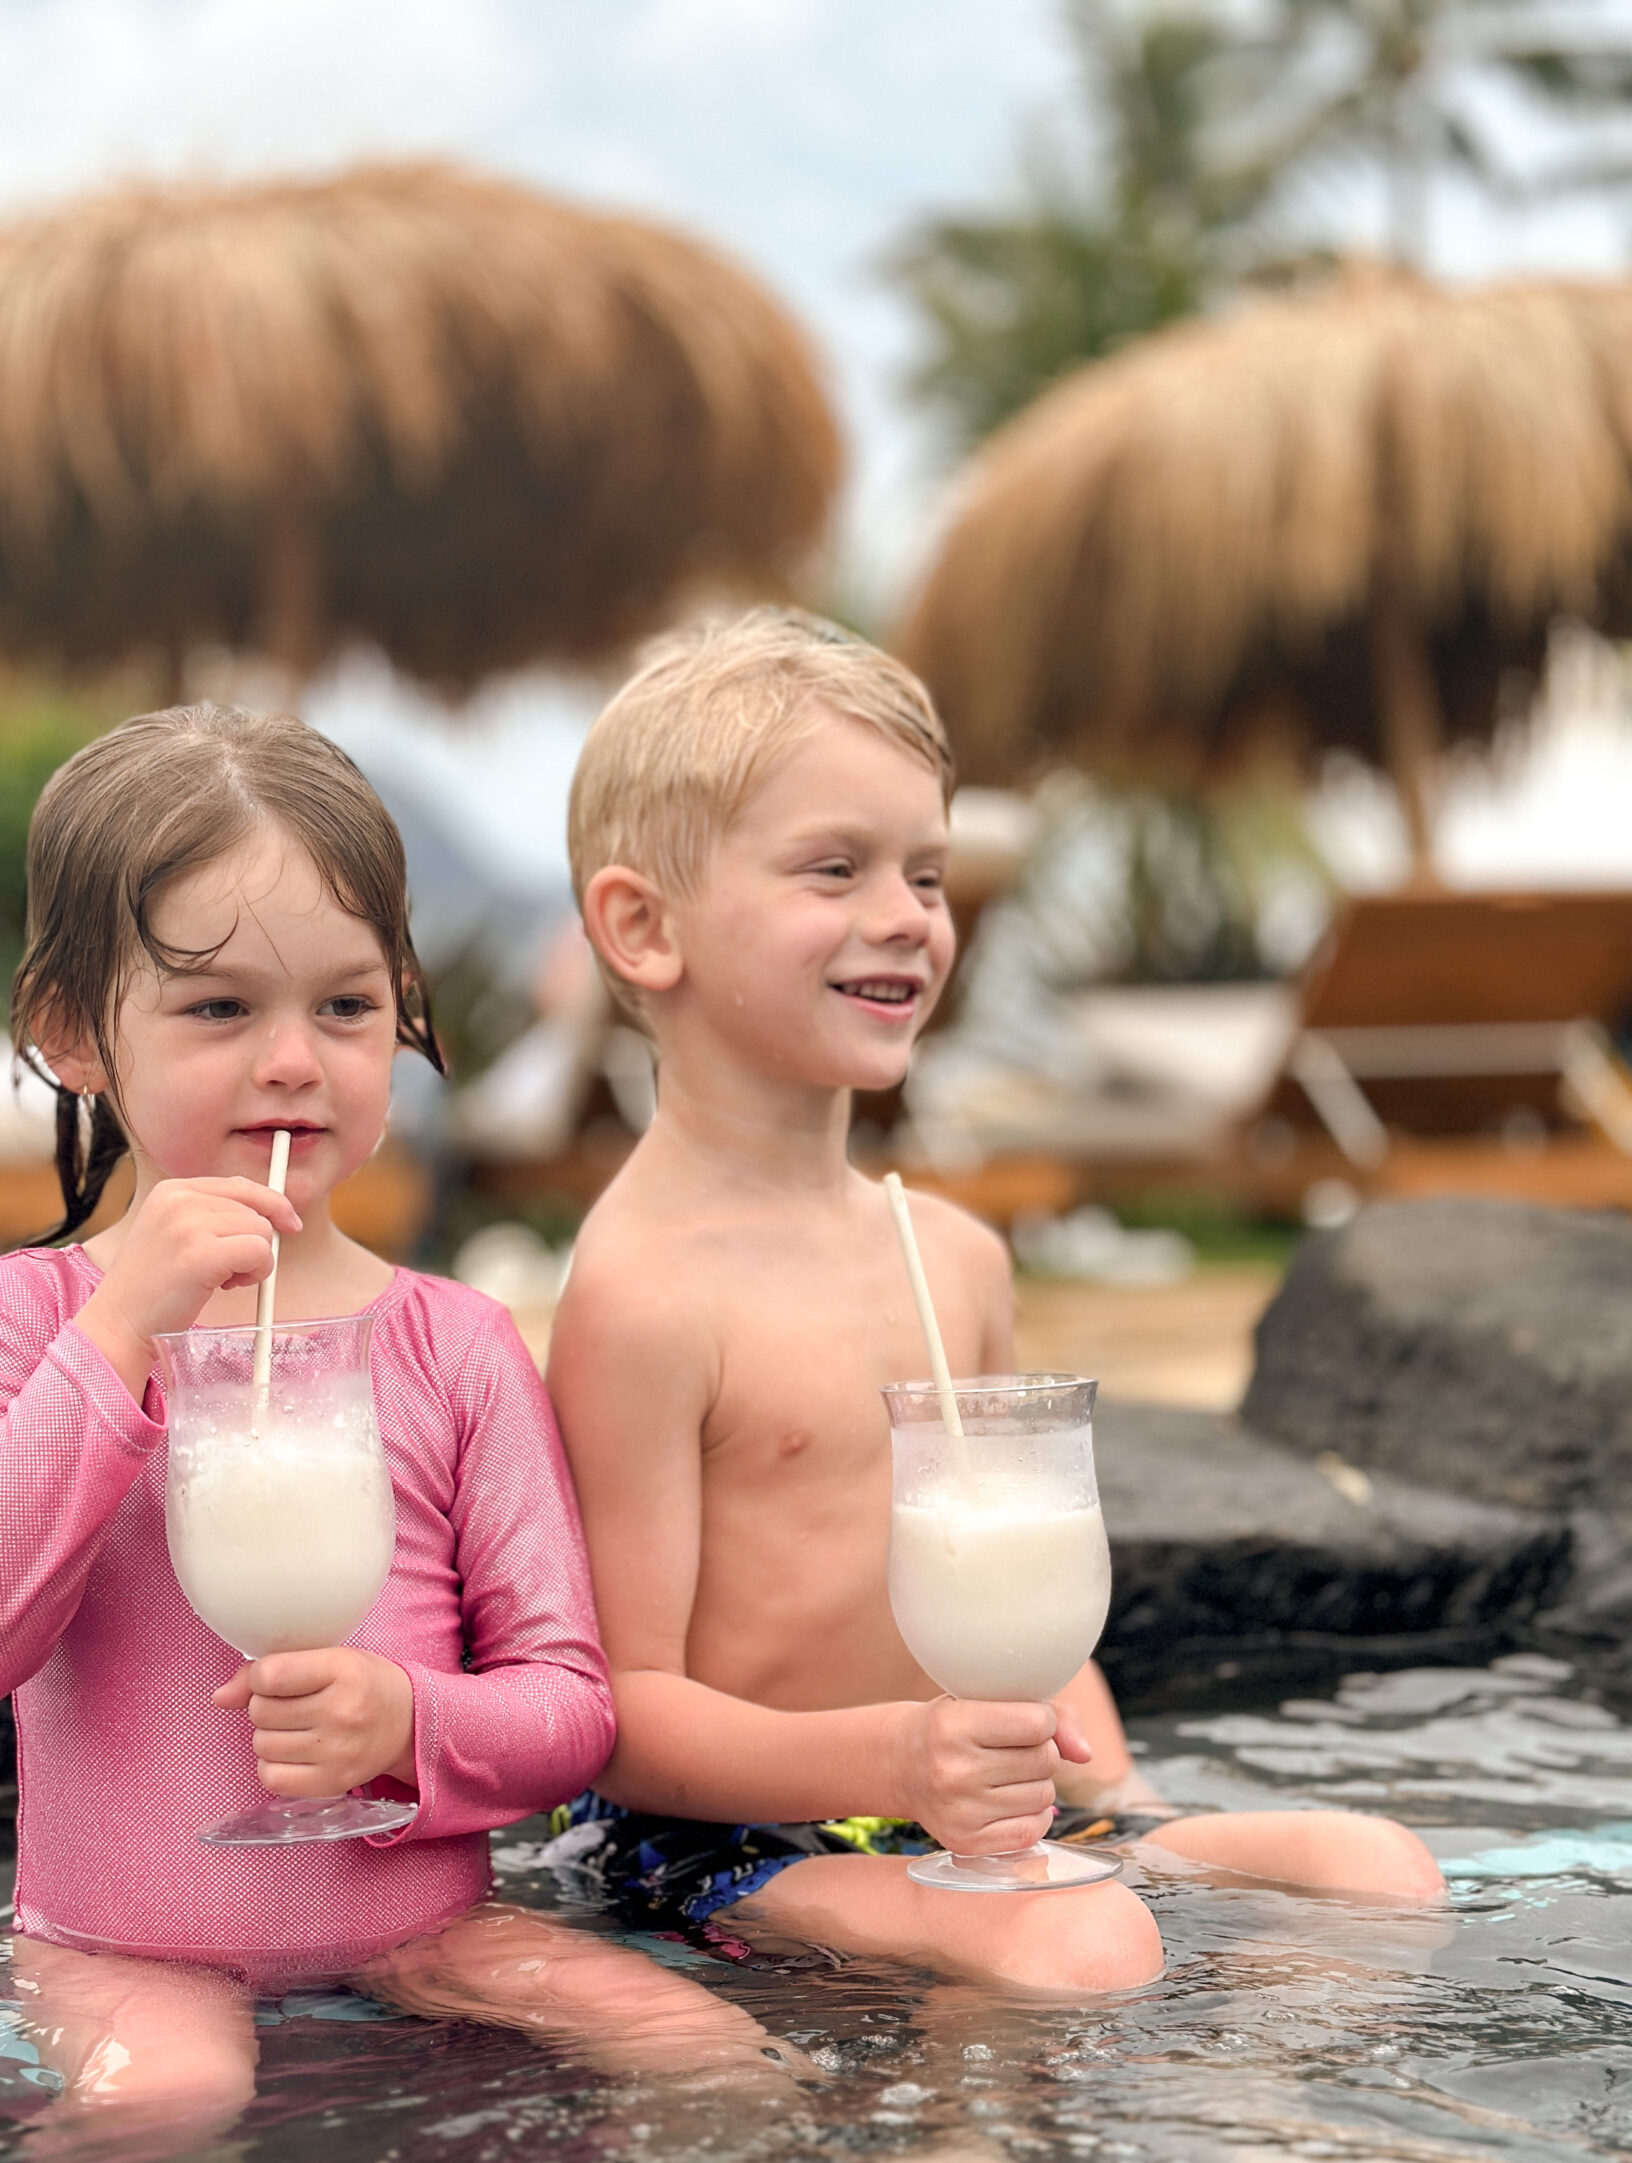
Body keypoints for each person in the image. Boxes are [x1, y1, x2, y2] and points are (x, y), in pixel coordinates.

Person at [0, 705, 793, 2163]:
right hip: (127, 1949)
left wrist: (407, 1722)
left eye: (348, 1008)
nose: (294, 1061)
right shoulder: (26, 1316)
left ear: (406, 1012)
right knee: (168, 2099)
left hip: (422, 1928)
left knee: (712, 2056)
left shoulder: (453, 1342)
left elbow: (569, 1710)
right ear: (71, 1031)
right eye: (219, 1010)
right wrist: (122, 1336)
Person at [546, 611, 1444, 1996]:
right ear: (643, 926)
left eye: (926, 872)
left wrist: (1115, 1786)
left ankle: (1246, 2148)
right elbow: (618, 1720)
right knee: (1077, 1938)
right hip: (732, 1836)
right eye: (834, 870)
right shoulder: (644, 1295)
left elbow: (1021, 1600)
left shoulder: (951, 1256)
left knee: (1377, 1873)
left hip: (958, 1801)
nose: (906, 914)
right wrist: (899, 1758)